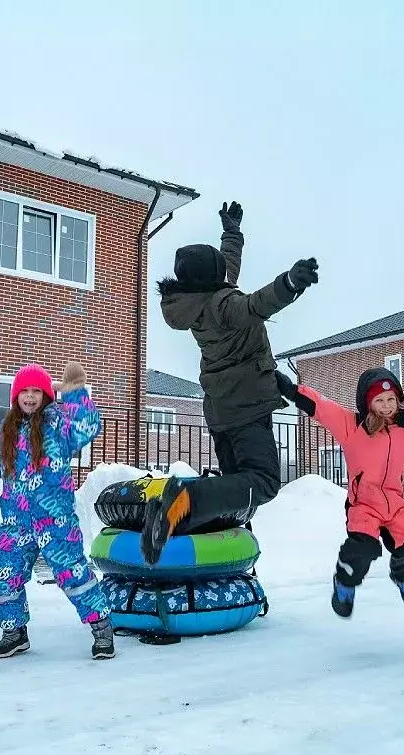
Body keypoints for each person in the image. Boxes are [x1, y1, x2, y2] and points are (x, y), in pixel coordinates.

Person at [140, 201, 319, 565]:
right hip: (246, 407)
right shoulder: (225, 306)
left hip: (222, 410)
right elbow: (257, 304)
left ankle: (223, 561)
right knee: (264, 481)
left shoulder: (199, 301)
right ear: (213, 279)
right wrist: (289, 283)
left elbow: (227, 266)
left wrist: (232, 232)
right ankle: (186, 501)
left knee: (238, 491)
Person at [0, 362, 116, 660]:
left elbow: (87, 427)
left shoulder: (59, 424)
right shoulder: (6, 430)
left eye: (37, 390)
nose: (31, 396)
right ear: (16, 395)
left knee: (72, 573)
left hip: (55, 518)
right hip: (16, 520)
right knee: (4, 573)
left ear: (47, 395)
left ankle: (101, 627)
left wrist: (75, 395)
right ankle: (14, 632)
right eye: (25, 390)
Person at [275, 367, 404, 617]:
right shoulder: (353, 426)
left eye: (391, 399)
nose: (386, 406)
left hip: (396, 504)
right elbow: (322, 407)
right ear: (368, 402)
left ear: (398, 400)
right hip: (363, 503)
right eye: (379, 400)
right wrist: (292, 390)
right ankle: (344, 583)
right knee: (362, 549)